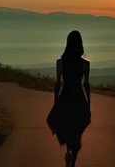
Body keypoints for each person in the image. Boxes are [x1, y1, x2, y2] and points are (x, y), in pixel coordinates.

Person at [47, 30, 91, 167]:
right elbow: (86, 84)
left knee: (66, 125)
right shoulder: (85, 63)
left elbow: (57, 83)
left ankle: (68, 151)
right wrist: (88, 103)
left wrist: (55, 101)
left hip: (65, 97)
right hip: (78, 97)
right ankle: (73, 158)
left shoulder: (60, 62)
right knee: (78, 128)